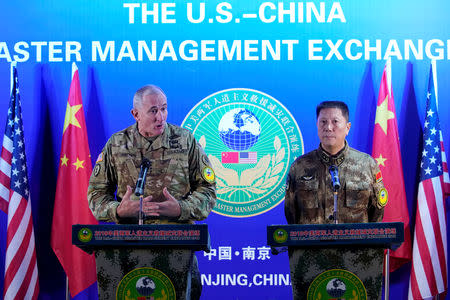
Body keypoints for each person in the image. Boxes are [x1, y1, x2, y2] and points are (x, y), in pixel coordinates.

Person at [88, 84, 216, 299]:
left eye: (164, 109)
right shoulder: (117, 144)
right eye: (153, 111)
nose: (161, 117)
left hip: (176, 247)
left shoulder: (185, 140)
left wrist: (181, 209)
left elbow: (208, 189)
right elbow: (96, 194)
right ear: (135, 114)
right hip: (125, 250)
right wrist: (118, 210)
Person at [284, 101, 387, 224]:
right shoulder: (300, 166)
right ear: (317, 125)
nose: (328, 128)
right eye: (323, 122)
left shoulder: (367, 165)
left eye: (335, 122)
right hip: (312, 242)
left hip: (356, 243)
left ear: (347, 127)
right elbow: (291, 213)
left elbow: (376, 213)